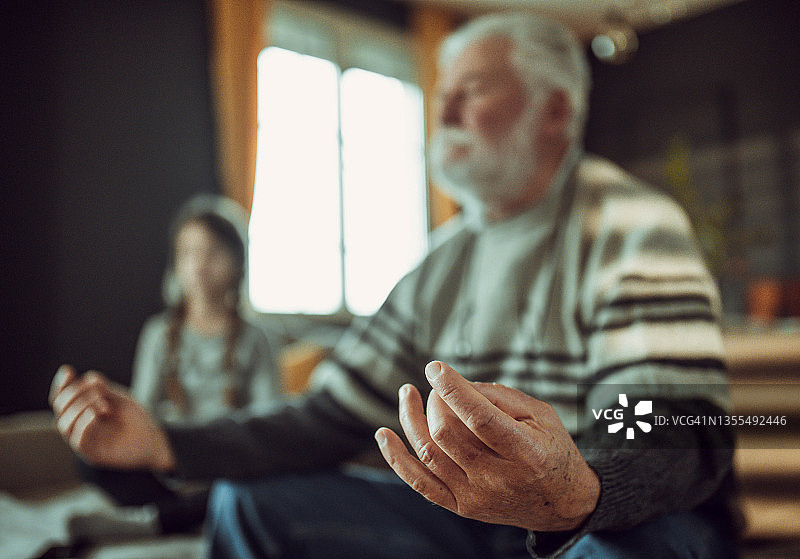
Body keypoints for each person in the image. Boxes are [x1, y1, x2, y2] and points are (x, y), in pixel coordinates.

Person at [49, 12, 738, 558]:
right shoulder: (443, 258)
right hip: (476, 522)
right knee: (247, 501)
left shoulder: (632, 224)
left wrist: (577, 489)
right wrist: (169, 442)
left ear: (553, 111)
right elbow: (328, 416)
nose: (444, 113)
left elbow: (676, 425)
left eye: (472, 91)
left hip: (617, 518)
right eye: (443, 94)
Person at [67, 194, 283, 539]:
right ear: (175, 263)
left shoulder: (257, 339)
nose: (199, 265)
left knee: (269, 476)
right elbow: (144, 408)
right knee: (91, 458)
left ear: (238, 263)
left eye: (212, 252)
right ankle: (196, 513)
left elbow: (269, 420)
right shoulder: (159, 334)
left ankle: (154, 523)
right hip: (168, 464)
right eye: (188, 253)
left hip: (227, 466)